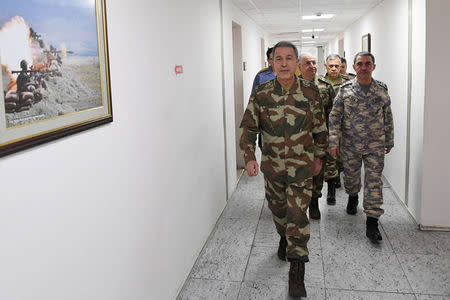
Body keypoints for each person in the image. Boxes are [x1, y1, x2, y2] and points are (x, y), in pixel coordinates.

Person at [240, 41, 328, 297]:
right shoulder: (262, 93)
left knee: (298, 216)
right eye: (279, 58)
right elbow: (248, 128)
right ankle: (283, 236)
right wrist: (249, 156)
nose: (284, 63)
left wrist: (319, 157)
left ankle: (297, 269)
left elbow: (321, 129)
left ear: (297, 63)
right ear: (272, 63)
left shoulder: (312, 93)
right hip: (273, 167)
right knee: (279, 211)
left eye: (289, 58)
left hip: (302, 167)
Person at [328, 51, 394, 243]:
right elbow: (334, 117)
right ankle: (353, 196)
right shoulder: (345, 89)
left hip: (375, 145)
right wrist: (333, 141)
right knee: (351, 176)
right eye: (360, 64)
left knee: (374, 182)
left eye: (367, 64)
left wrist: (389, 140)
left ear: (373, 66)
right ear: (354, 67)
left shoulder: (381, 89)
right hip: (351, 144)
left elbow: (387, 117)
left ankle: (372, 222)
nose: (364, 67)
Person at [298, 53, 338, 219]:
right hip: (298, 138)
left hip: (319, 137)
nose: (312, 66)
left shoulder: (324, 86)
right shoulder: (292, 85)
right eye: (308, 63)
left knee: (317, 170)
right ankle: (299, 205)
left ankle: (314, 203)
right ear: (299, 67)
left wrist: (332, 138)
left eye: (314, 63)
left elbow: (332, 113)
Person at [323, 54, 349, 188]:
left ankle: (339, 173)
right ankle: (332, 184)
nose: (333, 69)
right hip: (326, 125)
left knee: (342, 155)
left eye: (336, 66)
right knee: (329, 156)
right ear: (325, 66)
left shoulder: (349, 81)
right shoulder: (319, 82)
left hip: (345, 126)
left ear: (341, 67)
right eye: (331, 66)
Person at [251, 47, 276, 149]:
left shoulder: (290, 75)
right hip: (267, 122)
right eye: (273, 58)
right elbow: (254, 100)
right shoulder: (261, 76)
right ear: (269, 61)